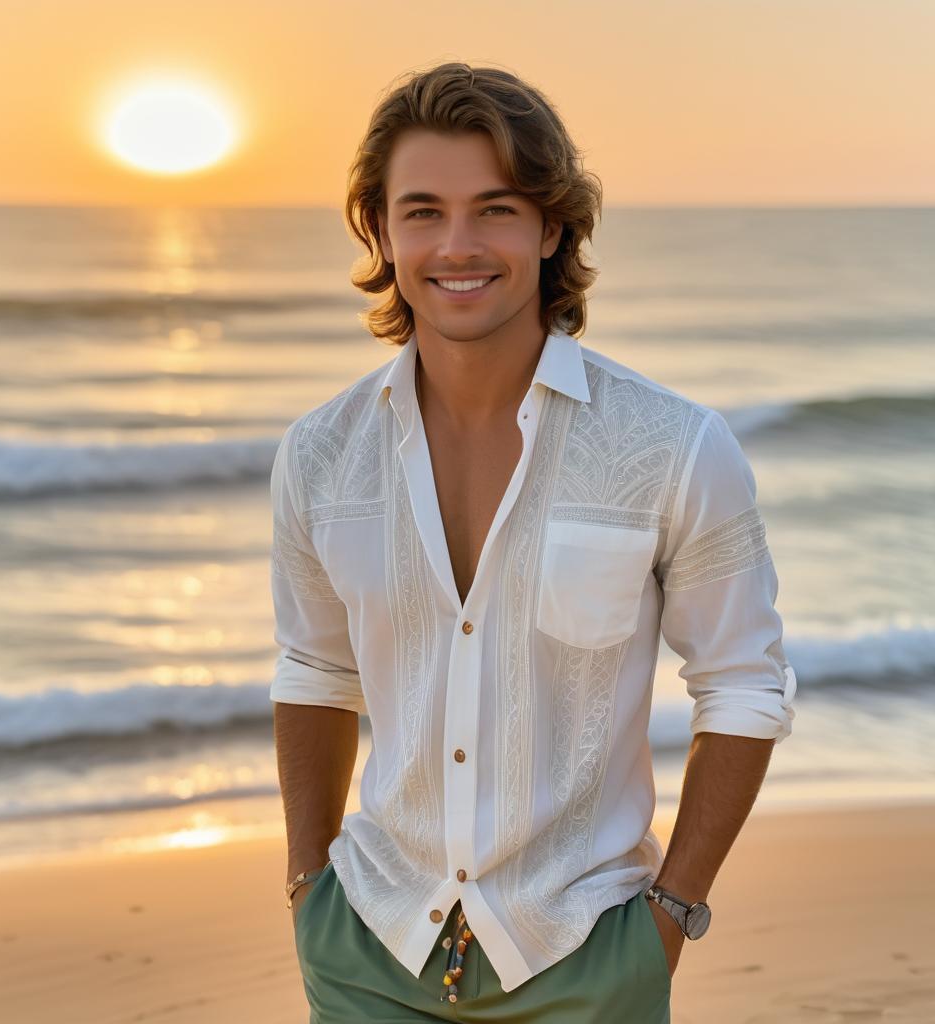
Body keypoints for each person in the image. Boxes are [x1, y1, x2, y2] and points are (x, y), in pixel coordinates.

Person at [270, 61, 797, 1023]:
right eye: (422, 211)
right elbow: (315, 669)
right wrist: (310, 886)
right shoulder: (319, 456)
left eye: (496, 209)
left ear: (552, 229)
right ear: (381, 232)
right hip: (369, 944)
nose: (457, 245)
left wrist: (670, 917)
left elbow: (745, 681)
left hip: (586, 953)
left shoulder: (673, 447)